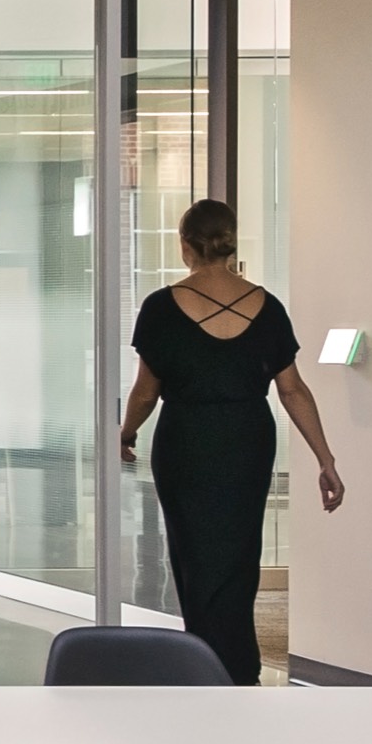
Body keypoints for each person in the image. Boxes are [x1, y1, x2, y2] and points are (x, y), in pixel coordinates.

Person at [118, 199, 344, 685]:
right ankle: (239, 670)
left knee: (193, 557)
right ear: (229, 242)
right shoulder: (268, 307)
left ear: (185, 246)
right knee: (240, 556)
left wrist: (125, 432)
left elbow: (145, 392)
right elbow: (293, 390)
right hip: (247, 441)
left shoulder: (161, 307)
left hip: (186, 443)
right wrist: (325, 459)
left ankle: (205, 670)